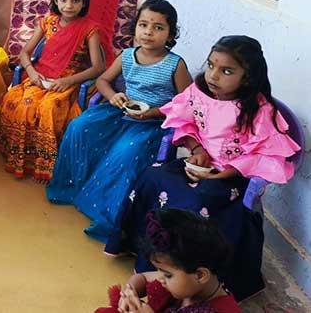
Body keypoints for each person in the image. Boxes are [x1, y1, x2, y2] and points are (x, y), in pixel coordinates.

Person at [104, 36, 301, 301]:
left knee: (198, 200)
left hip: (233, 176)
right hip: (198, 163)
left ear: (247, 77)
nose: (213, 75)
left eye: (226, 71)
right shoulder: (199, 93)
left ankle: (188, 274)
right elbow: (184, 123)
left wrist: (227, 171)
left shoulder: (258, 110)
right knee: (152, 176)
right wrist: (197, 150)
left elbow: (265, 153)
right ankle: (144, 251)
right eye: (210, 65)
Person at [48, 0, 192, 242]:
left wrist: (153, 112)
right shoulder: (127, 56)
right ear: (135, 27)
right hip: (122, 113)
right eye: (143, 25)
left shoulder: (174, 64)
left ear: (170, 34)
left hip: (153, 122)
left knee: (126, 151)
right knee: (79, 127)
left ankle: (106, 212)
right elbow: (103, 80)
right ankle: (73, 188)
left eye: (158, 27)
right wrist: (113, 96)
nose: (148, 32)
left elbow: (187, 103)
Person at [0, 0, 106, 181]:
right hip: (39, 75)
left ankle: (44, 163)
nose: (68, 5)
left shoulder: (90, 29)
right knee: (18, 102)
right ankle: (18, 156)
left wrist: (68, 81)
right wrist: (31, 71)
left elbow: (98, 67)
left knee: (48, 108)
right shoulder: (47, 22)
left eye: (75, 0)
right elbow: (24, 53)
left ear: (84, 2)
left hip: (68, 81)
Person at [96, 209, 240, 313]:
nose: (160, 279)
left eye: (167, 275)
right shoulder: (188, 285)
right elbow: (143, 277)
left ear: (200, 275)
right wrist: (129, 292)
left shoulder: (223, 310)